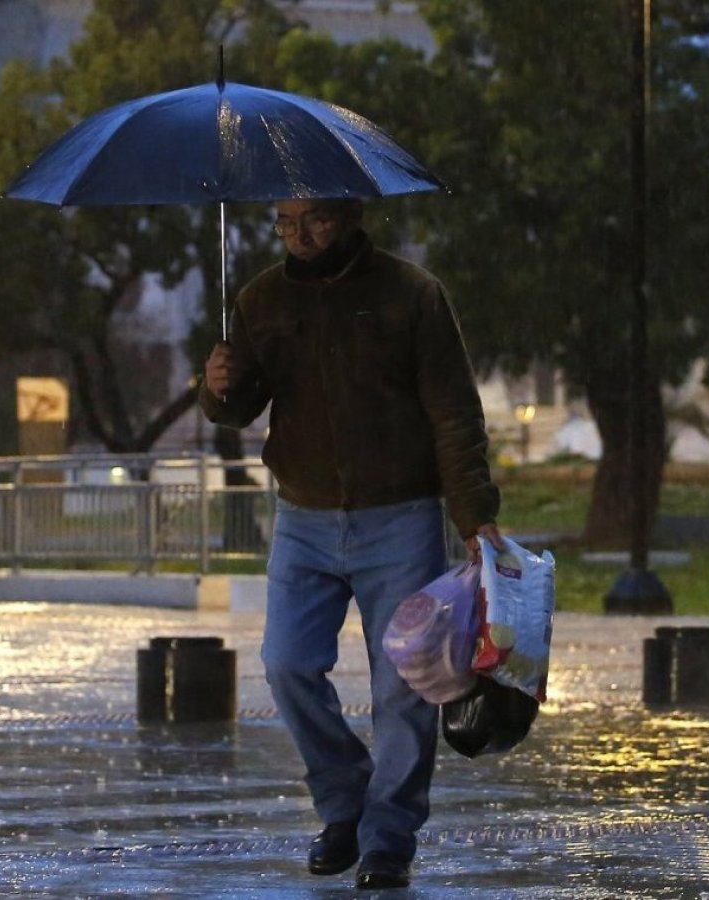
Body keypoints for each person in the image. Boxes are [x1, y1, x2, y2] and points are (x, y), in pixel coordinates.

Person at [200, 197, 502, 890]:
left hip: (399, 518)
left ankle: (388, 835)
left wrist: (474, 516)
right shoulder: (261, 299)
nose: (299, 235)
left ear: (352, 213)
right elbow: (239, 402)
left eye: (316, 220)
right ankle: (344, 807)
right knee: (286, 664)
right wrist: (215, 388)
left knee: (404, 684)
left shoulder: (413, 296)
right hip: (302, 517)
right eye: (284, 222)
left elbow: (454, 412)